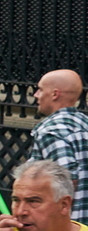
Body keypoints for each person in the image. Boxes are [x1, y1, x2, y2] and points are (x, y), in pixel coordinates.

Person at [28, 68, 88, 220]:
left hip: (68, 229)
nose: (36, 95)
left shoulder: (52, 132)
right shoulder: (84, 124)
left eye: (40, 90)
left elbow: (66, 181)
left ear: (55, 94)